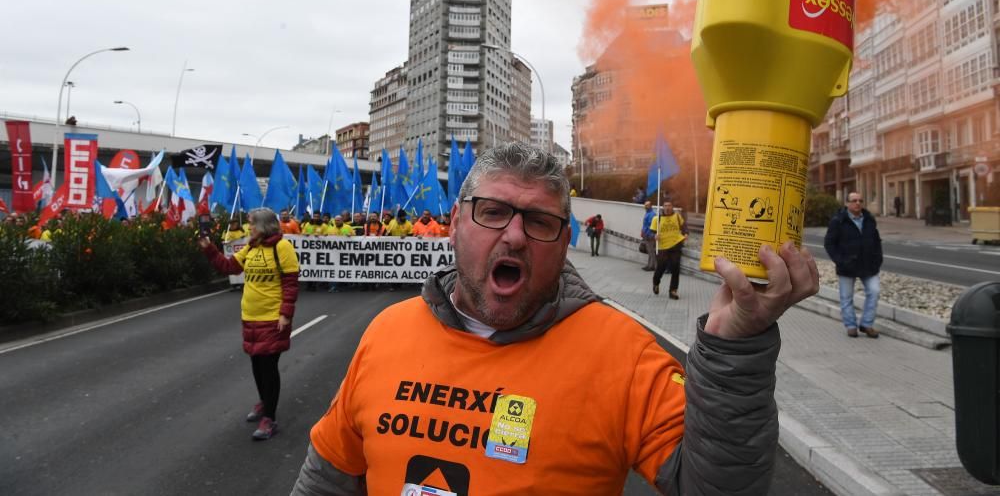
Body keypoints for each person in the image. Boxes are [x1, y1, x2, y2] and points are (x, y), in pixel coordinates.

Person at [290, 142, 819, 494]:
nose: (515, 236)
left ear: (566, 242)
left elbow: (715, 487)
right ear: (455, 223)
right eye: (493, 212)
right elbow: (328, 478)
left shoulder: (621, 351)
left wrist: (735, 352)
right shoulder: (388, 331)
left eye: (540, 221)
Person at [200, 208, 300, 440]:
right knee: (256, 363)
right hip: (251, 316)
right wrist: (209, 249)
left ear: (265, 225)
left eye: (252, 224)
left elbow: (291, 283)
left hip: (272, 317)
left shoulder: (282, 248)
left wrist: (285, 313)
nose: (249, 228)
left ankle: (270, 418)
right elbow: (229, 267)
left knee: (268, 366)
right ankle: (264, 402)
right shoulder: (252, 246)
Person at [824, 191, 883, 338]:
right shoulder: (838, 220)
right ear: (847, 203)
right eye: (854, 200)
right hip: (847, 266)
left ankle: (866, 324)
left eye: (860, 200)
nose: (858, 203)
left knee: (874, 291)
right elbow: (829, 243)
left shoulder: (869, 219)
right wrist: (840, 260)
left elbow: (876, 241)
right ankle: (850, 325)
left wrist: (878, 259)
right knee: (846, 297)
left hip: (869, 265)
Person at [650, 201, 687, 298]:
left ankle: (673, 291)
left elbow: (684, 227)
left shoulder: (677, 217)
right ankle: (656, 283)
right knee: (661, 268)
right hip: (662, 248)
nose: (667, 207)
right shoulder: (656, 219)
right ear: (662, 207)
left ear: (672, 207)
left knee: (675, 268)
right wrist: (654, 236)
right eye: (665, 205)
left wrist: (686, 233)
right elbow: (650, 232)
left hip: (676, 245)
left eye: (669, 205)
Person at [641, 200, 657, 271]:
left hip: (649, 235)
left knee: (651, 251)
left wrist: (648, 234)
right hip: (646, 234)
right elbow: (645, 224)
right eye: (645, 205)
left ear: (651, 206)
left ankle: (652, 266)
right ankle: (649, 265)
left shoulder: (652, 214)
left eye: (647, 205)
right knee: (649, 251)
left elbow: (651, 226)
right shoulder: (647, 213)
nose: (645, 206)